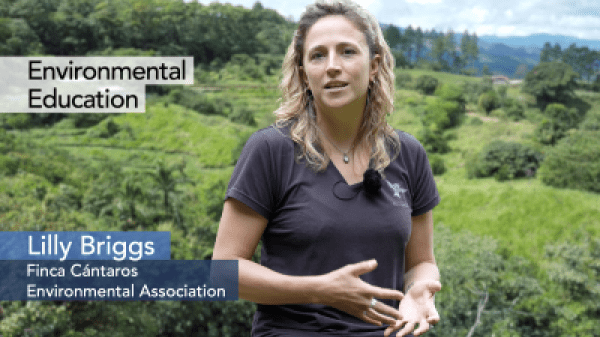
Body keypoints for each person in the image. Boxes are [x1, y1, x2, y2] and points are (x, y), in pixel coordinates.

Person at [212, 0, 442, 336]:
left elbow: (421, 261)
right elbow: (224, 272)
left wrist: (421, 288)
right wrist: (320, 289)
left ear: (374, 65)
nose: (332, 66)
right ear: (304, 73)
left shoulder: (407, 154)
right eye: (318, 55)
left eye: (347, 52)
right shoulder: (270, 150)